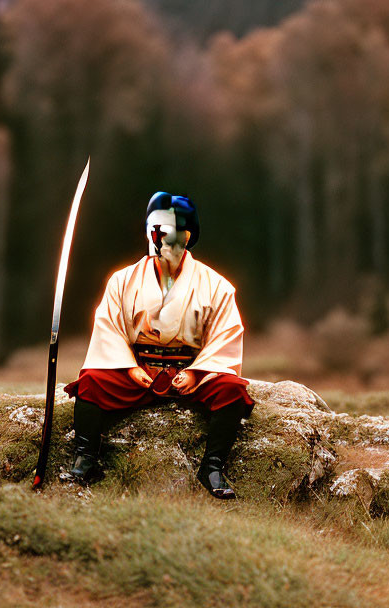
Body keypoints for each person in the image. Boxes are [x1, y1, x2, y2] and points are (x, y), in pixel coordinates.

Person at [63, 191, 253, 499]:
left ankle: (213, 466)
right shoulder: (123, 280)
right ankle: (86, 458)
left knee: (232, 390)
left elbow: (225, 335)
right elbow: (109, 327)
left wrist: (196, 373)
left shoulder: (216, 285)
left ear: (188, 235)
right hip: (139, 370)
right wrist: (128, 367)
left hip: (192, 374)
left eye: (174, 231)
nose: (164, 238)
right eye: (158, 229)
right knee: (90, 383)